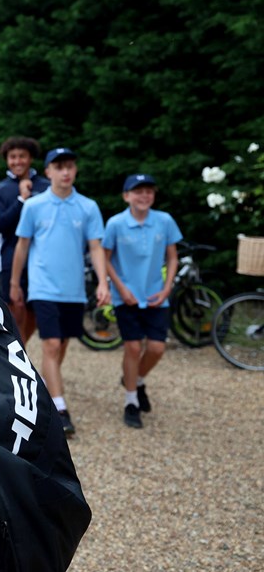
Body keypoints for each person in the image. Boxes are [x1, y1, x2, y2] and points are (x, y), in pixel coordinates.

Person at [10, 147, 108, 436]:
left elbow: (95, 247)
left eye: (70, 166)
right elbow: (22, 246)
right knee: (50, 344)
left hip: (73, 290)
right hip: (43, 287)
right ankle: (60, 408)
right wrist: (15, 283)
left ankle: (49, 387)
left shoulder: (88, 207)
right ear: (48, 171)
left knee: (62, 345)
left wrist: (103, 282)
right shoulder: (34, 206)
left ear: (75, 171)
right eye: (59, 166)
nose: (65, 172)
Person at [102, 174, 182, 428]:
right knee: (133, 348)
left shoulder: (165, 221)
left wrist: (167, 288)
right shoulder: (115, 223)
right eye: (138, 191)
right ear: (126, 196)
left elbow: (172, 258)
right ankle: (131, 402)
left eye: (149, 191)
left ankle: (134, 379)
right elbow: (104, 258)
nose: (144, 196)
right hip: (126, 297)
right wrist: (120, 288)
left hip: (156, 296)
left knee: (157, 348)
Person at [0, 137, 50, 343]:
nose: (17, 161)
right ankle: (18, 359)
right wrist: (21, 200)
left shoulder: (46, 186)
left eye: (22, 156)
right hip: (10, 255)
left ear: (30, 158)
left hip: (41, 257)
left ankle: (24, 356)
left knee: (33, 311)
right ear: (6, 160)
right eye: (12, 157)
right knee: (15, 309)